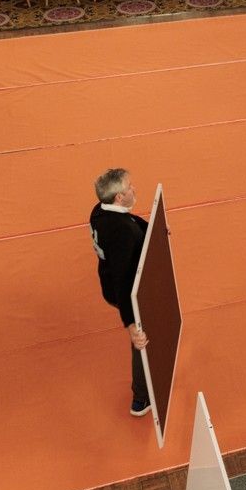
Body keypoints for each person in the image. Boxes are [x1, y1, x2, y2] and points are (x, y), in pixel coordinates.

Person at [89, 168, 151, 416]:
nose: (134, 189)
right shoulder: (123, 234)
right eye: (129, 187)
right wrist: (132, 324)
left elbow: (129, 219)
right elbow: (123, 282)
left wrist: (149, 228)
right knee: (142, 339)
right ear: (118, 197)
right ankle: (141, 398)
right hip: (127, 291)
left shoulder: (99, 210)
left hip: (109, 281)